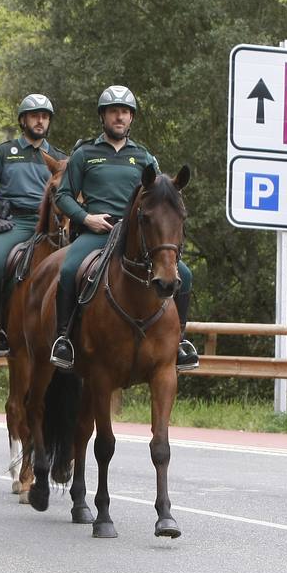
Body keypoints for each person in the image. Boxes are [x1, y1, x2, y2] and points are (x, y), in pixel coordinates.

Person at [49, 85, 198, 372]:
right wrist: (85, 218)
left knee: (186, 276)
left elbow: (160, 196)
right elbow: (63, 195)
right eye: (114, 112)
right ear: (103, 116)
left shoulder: (144, 157)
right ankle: (63, 339)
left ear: (132, 118)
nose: (120, 117)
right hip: (96, 232)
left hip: (136, 235)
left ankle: (179, 342)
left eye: (126, 112)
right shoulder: (84, 154)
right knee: (68, 270)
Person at [0, 94, 67, 356]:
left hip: (52, 227)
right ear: (23, 120)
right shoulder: (4, 152)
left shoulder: (60, 157)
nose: (40, 121)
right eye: (35, 115)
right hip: (14, 224)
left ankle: (66, 335)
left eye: (45, 116)